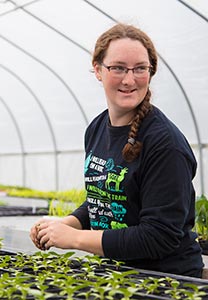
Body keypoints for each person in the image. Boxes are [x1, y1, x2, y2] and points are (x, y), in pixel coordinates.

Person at [30, 23, 203, 278]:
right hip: (116, 275)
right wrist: (69, 222)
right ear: (98, 70)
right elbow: (108, 198)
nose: (129, 79)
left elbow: (158, 236)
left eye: (140, 68)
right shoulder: (97, 128)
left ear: (150, 71)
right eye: (118, 67)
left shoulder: (165, 144)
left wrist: (76, 238)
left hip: (165, 282)